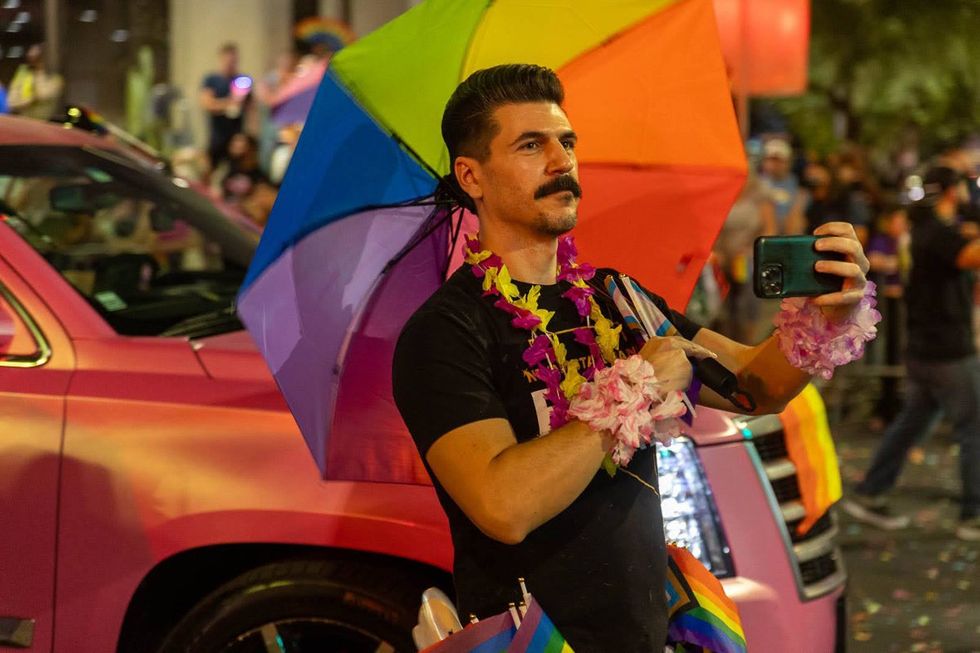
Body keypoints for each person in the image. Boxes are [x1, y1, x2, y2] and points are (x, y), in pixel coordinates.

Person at [392, 64, 873, 652]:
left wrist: (826, 317)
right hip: (532, 640)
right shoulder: (444, 332)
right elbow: (504, 505)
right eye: (530, 145)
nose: (560, 160)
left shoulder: (616, 298)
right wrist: (639, 384)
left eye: (567, 141)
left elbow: (755, 386)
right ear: (472, 175)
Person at [843, 166, 980, 541]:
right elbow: (971, 257)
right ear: (951, 193)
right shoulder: (937, 234)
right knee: (973, 427)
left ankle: (871, 490)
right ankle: (973, 514)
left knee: (913, 422)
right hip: (945, 348)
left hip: (925, 344)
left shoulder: (928, 230)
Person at [866, 202, 909, 429]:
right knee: (887, 358)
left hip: (905, 310)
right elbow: (874, 259)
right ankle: (884, 408)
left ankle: (898, 409)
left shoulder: (908, 241)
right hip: (886, 308)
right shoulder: (882, 240)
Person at [199, 43, 250, 171]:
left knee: (236, 172)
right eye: (228, 60)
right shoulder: (211, 79)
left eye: (233, 60)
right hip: (217, 135)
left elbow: (249, 107)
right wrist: (229, 103)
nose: (230, 63)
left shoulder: (242, 80)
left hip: (236, 136)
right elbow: (207, 103)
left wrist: (244, 135)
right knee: (210, 169)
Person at [759, 137, 806, 235]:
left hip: (787, 230)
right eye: (771, 159)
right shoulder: (757, 183)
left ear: (787, 162)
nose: (774, 164)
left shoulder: (795, 184)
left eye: (779, 160)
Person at [7, 44, 63, 120]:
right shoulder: (22, 76)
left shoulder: (55, 80)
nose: (32, 60)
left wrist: (29, 100)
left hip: (43, 123)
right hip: (23, 121)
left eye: (37, 58)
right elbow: (11, 101)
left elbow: (42, 95)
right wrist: (27, 102)